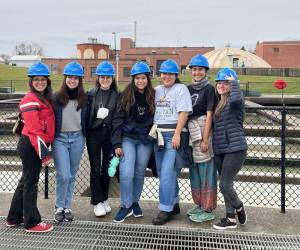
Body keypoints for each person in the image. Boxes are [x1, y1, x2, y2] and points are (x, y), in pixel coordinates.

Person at [6, 62, 55, 233]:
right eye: (36, 80)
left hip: (32, 144)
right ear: (31, 81)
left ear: (47, 81)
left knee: (25, 181)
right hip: (32, 145)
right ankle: (32, 222)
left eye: (43, 80)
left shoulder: (43, 98)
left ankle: (13, 218)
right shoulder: (30, 99)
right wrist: (45, 154)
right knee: (31, 183)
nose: (40, 82)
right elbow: (34, 131)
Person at [111, 61, 155, 223]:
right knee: (126, 172)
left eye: (143, 78)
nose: (140, 81)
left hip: (145, 140)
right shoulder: (125, 96)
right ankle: (125, 205)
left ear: (147, 79)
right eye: (137, 78)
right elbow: (117, 120)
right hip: (128, 139)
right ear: (133, 79)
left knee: (139, 172)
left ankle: (134, 202)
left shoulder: (153, 96)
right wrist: (117, 144)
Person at [151, 59, 192, 225]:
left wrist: (176, 135)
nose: (166, 76)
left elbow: (183, 113)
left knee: (168, 173)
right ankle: (174, 203)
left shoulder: (181, 89)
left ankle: (165, 209)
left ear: (176, 75)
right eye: (164, 73)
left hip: (173, 136)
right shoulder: (157, 90)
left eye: (170, 73)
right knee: (163, 173)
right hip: (157, 136)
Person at [212, 68, 248, 230]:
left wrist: (233, 82)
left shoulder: (236, 100)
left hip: (235, 148)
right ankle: (230, 218)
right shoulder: (218, 102)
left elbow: (235, 99)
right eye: (219, 82)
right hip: (220, 150)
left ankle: (239, 207)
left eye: (225, 82)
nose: (221, 85)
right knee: (227, 185)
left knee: (224, 185)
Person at [52, 61, 87, 222]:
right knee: (63, 174)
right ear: (65, 78)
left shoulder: (85, 99)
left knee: (72, 174)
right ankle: (59, 206)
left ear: (80, 80)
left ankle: (67, 207)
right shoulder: (56, 98)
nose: (72, 80)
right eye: (69, 77)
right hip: (60, 139)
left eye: (75, 78)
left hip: (78, 138)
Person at [186, 54, 218, 223]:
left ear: (206, 71)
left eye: (200, 69)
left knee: (207, 170)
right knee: (195, 172)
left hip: (203, 131)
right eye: (195, 69)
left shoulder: (209, 89)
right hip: (191, 133)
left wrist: (205, 139)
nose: (197, 72)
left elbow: (209, 115)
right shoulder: (188, 89)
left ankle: (208, 207)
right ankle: (199, 203)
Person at [86, 61, 119, 217]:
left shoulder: (117, 96)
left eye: (108, 77)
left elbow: (119, 119)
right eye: (102, 77)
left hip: (109, 137)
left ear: (112, 78)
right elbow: (86, 118)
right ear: (98, 78)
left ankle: (104, 198)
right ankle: (97, 201)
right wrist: (96, 119)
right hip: (94, 135)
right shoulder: (91, 94)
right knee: (95, 168)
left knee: (107, 169)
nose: (105, 80)